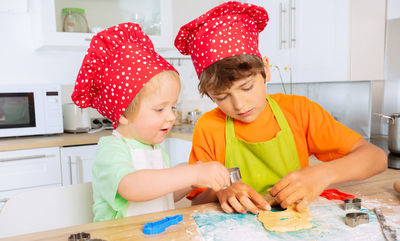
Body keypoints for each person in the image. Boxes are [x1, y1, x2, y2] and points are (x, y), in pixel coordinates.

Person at [174, 2, 387, 214]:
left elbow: (376, 158)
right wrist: (222, 191)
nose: (239, 105)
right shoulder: (209, 127)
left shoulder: (299, 111)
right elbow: (197, 201)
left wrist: (322, 174)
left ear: (265, 70)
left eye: (247, 87)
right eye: (222, 97)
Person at [72, 23, 230, 222]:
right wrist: (190, 174)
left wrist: (189, 182)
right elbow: (132, 187)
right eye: (159, 109)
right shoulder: (112, 148)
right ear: (123, 114)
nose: (171, 116)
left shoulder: (154, 149)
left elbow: (160, 195)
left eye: (172, 107)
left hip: (151, 240)